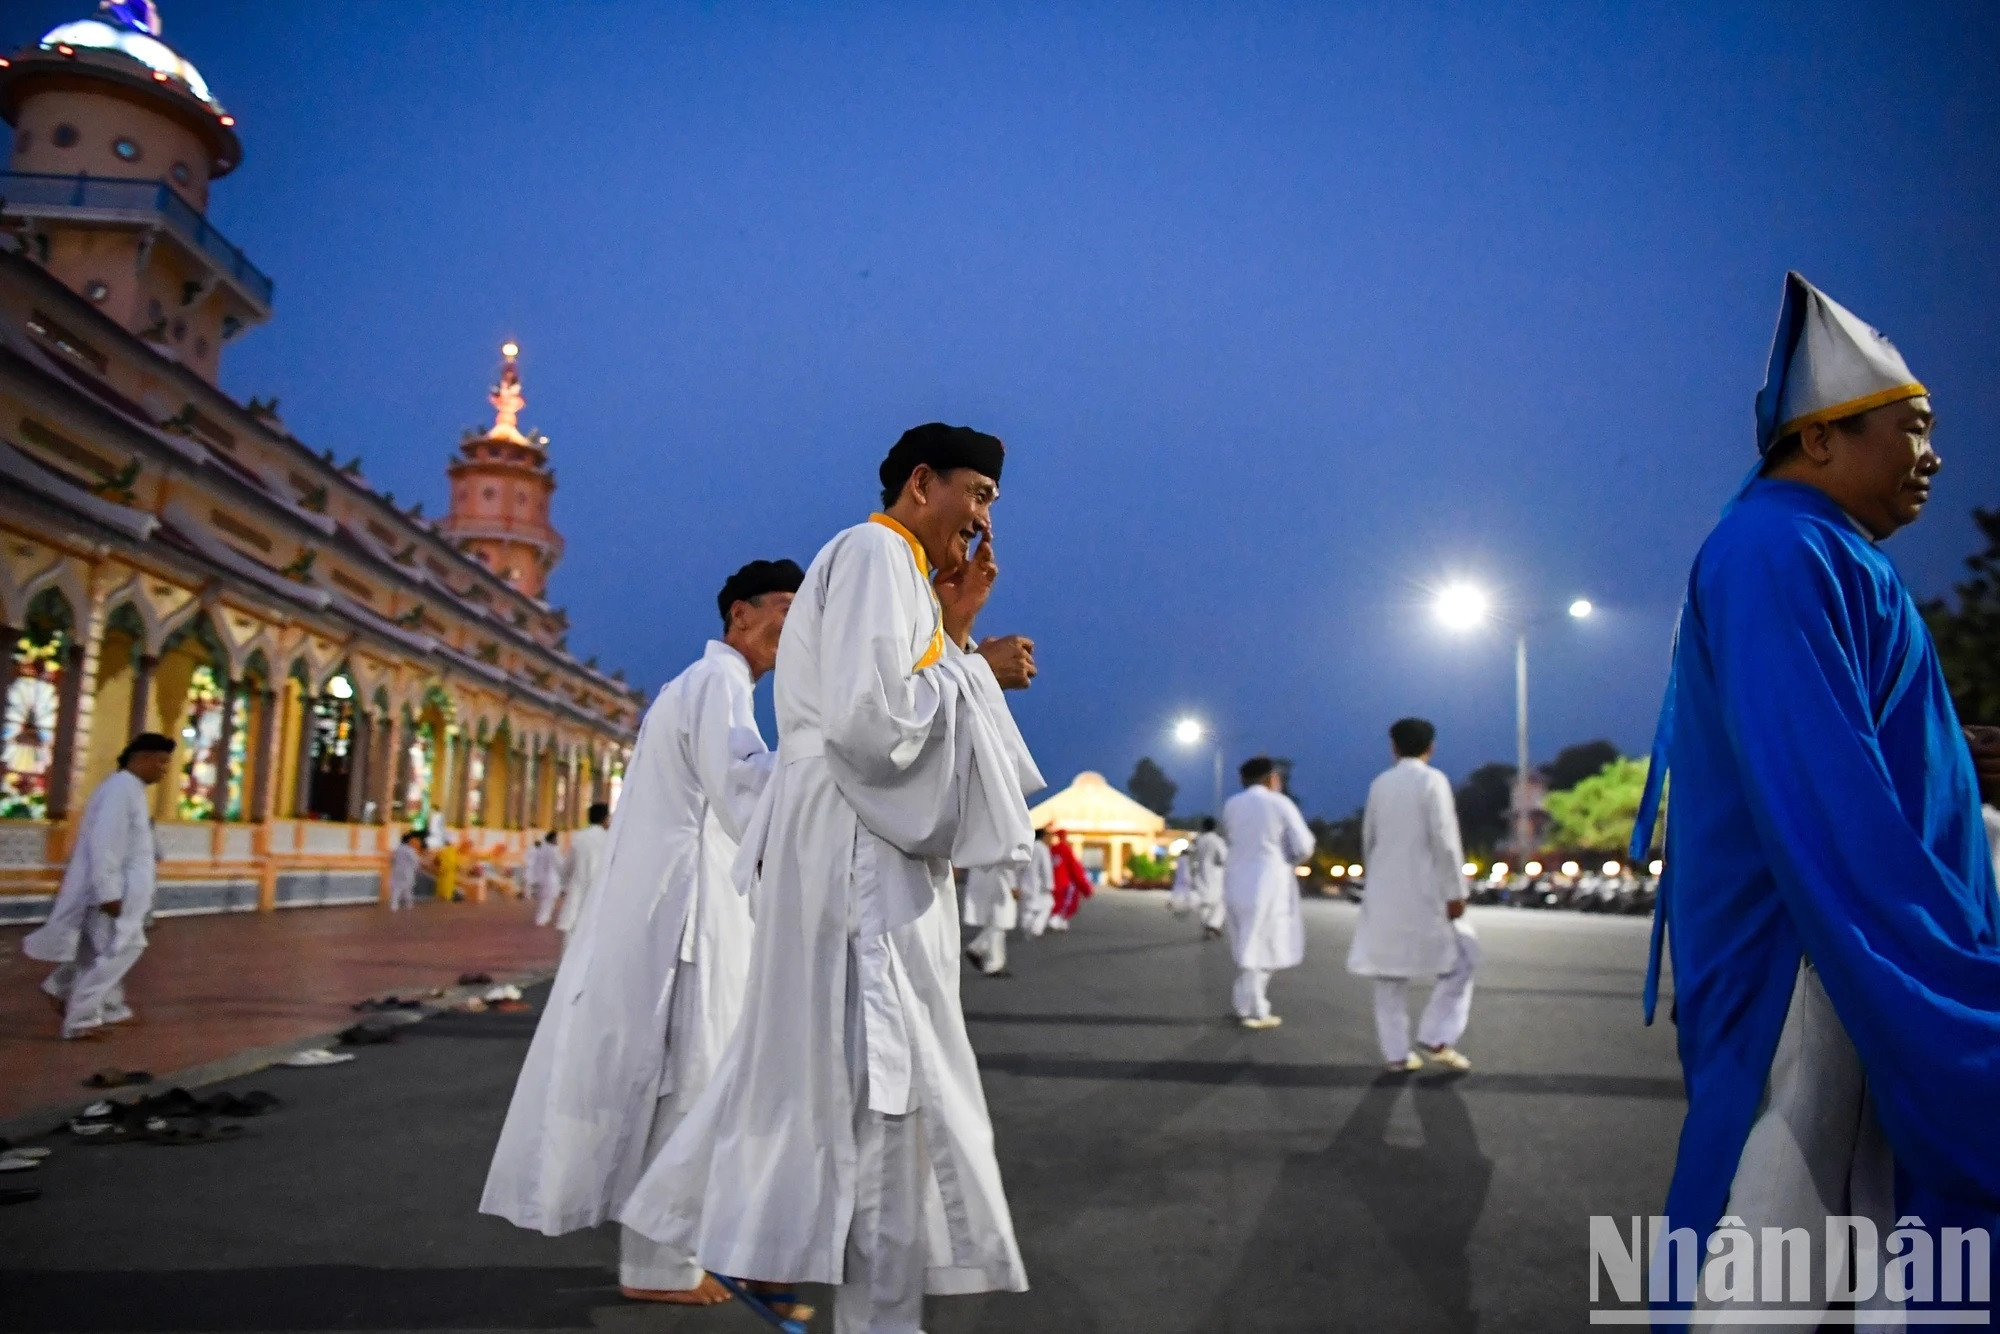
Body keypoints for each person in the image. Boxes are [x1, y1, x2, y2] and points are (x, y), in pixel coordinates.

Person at [617, 421, 1042, 1334]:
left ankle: (747, 1244)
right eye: (976, 496)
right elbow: (869, 726)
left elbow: (884, 703)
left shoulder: (899, 578)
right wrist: (980, 670)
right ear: (921, 484)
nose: (981, 523)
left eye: (992, 507)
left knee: (842, 1076)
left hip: (860, 843)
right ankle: (862, 1311)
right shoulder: (876, 553)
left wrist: (956, 635)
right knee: (885, 1087)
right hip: (861, 852)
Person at [1632, 272, 2000, 1320]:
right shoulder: (1776, 547)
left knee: (1844, 1233)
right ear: (1820, 438)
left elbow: (1864, 741)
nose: (1930, 455)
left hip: (1848, 941)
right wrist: (1925, 964)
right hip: (1817, 948)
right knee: (1763, 1244)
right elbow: (1816, 779)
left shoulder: (1828, 552)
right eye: (1911, 427)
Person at [483, 558, 803, 1311]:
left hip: (683, 915)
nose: (797, 625)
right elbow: (747, 789)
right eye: (786, 607)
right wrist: (828, 747)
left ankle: (678, 1251)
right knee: (692, 1085)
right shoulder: (716, 686)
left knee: (686, 1085)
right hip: (687, 921)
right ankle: (661, 1265)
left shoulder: (700, 689)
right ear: (739, 615)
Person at [22, 733, 174, 1040]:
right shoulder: (120, 790)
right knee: (123, 948)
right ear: (141, 757)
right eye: (161, 761)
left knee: (96, 950)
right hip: (114, 891)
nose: (164, 770)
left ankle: (70, 992)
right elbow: (105, 845)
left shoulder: (130, 790)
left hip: (123, 889)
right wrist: (109, 893)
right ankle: (81, 1018)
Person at [1348, 717, 1475, 1074]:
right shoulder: (1433, 781)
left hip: (1385, 893)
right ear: (1430, 747)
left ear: (1393, 747)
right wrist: (1455, 891)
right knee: (1462, 959)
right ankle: (1436, 1035)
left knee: (1389, 977)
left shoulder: (1380, 784)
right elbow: (1446, 841)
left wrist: (1374, 882)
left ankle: (1396, 1055)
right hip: (1427, 893)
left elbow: (1368, 840)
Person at [1220, 756, 1313, 1030]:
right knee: (1265, 944)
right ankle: (1256, 1010)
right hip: (1269, 881)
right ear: (1271, 778)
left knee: (1247, 941)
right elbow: (1304, 845)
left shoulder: (1231, 805)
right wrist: (1289, 860)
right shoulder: (1280, 803)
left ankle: (1244, 1004)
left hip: (1236, 879)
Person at [556, 802, 610, 936]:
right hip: (601, 893)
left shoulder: (579, 837)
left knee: (573, 934)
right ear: (605, 819)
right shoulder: (609, 839)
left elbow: (567, 866)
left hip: (577, 892)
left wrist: (564, 884)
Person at [962, 862, 1018, 977]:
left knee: (995, 924)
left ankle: (977, 947)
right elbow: (1006, 861)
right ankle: (992, 964)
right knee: (1000, 923)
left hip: (984, 879)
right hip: (1000, 883)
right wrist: (1013, 885)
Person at [1188, 816, 1228, 938]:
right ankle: (1214, 924)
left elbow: (1191, 854)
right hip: (1215, 875)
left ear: (1203, 827)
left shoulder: (1198, 840)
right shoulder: (1217, 840)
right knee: (1221, 901)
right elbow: (1223, 857)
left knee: (1204, 902)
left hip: (1200, 873)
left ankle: (1207, 925)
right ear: (1214, 827)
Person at [1046, 828, 1091, 930]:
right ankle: (1057, 918)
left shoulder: (1050, 850)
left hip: (1049, 882)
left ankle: (1056, 919)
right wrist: (1086, 888)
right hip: (1063, 883)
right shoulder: (1066, 849)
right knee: (1067, 902)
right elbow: (1075, 868)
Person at [1018, 827, 1057, 938]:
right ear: (1043, 836)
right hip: (1038, 885)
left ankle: (1026, 927)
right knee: (1048, 904)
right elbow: (1046, 868)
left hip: (1024, 882)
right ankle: (1036, 928)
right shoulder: (1042, 848)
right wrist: (1049, 884)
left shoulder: (1027, 847)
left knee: (1027, 907)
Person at [524, 831, 562, 926]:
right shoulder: (553, 850)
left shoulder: (541, 849)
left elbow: (535, 863)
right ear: (553, 839)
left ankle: (543, 917)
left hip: (542, 877)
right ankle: (542, 918)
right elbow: (559, 864)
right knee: (548, 900)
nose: (557, 841)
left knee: (545, 899)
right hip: (551, 878)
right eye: (556, 839)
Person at [388, 830, 425, 912]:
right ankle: (409, 904)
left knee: (397, 888)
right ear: (408, 840)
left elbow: (392, 860)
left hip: (397, 871)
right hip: (407, 872)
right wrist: (418, 868)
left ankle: (394, 905)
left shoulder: (397, 849)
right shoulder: (410, 850)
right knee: (408, 889)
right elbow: (415, 860)